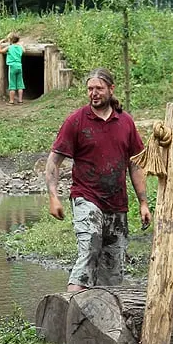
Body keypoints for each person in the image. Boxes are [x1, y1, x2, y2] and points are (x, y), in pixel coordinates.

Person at [46, 68, 151, 291]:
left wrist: (143, 202)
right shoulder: (76, 121)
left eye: (99, 88)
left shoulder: (126, 122)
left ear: (111, 90)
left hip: (117, 202)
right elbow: (53, 161)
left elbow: (135, 164)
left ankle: (103, 319)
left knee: (113, 270)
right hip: (86, 196)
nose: (93, 93)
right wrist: (53, 196)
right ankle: (72, 306)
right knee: (90, 246)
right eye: (90, 89)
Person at [0, 32, 25, 105]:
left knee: (12, 84)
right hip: (19, 66)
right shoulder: (19, 47)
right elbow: (24, 50)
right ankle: (20, 101)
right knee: (20, 84)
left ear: (10, 40)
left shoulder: (9, 47)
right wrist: (21, 45)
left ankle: (11, 101)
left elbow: (0, 51)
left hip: (12, 66)